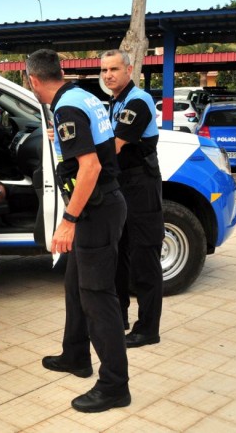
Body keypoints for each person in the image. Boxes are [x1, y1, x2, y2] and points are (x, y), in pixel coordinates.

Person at [27, 49, 130, 413]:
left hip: (96, 211)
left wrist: (68, 220)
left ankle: (115, 384)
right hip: (97, 207)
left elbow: (90, 168)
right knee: (75, 285)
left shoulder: (67, 108)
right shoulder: (82, 95)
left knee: (98, 297)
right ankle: (76, 355)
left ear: (33, 80)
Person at [101, 49, 165, 348]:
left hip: (141, 185)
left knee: (144, 257)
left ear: (129, 70)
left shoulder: (138, 100)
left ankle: (148, 328)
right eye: (104, 70)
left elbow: (115, 145)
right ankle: (120, 317)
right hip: (123, 185)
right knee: (120, 254)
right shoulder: (116, 101)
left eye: (114, 69)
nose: (108, 75)